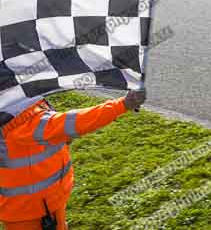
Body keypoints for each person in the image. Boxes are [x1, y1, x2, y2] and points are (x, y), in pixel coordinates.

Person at [0, 90, 146, 229]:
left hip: (44, 200)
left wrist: (60, 137)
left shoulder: (21, 101)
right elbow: (72, 123)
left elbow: (50, 131)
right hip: (28, 209)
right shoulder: (13, 117)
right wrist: (122, 105)